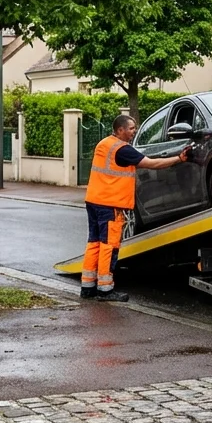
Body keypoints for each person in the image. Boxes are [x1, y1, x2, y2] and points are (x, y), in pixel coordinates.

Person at [81, 114, 189, 302]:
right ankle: (105, 290)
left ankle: (88, 287)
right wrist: (179, 158)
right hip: (110, 205)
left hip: (94, 200)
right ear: (120, 130)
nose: (134, 132)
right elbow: (151, 163)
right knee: (109, 246)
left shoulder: (104, 143)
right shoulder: (122, 150)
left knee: (94, 243)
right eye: (131, 128)